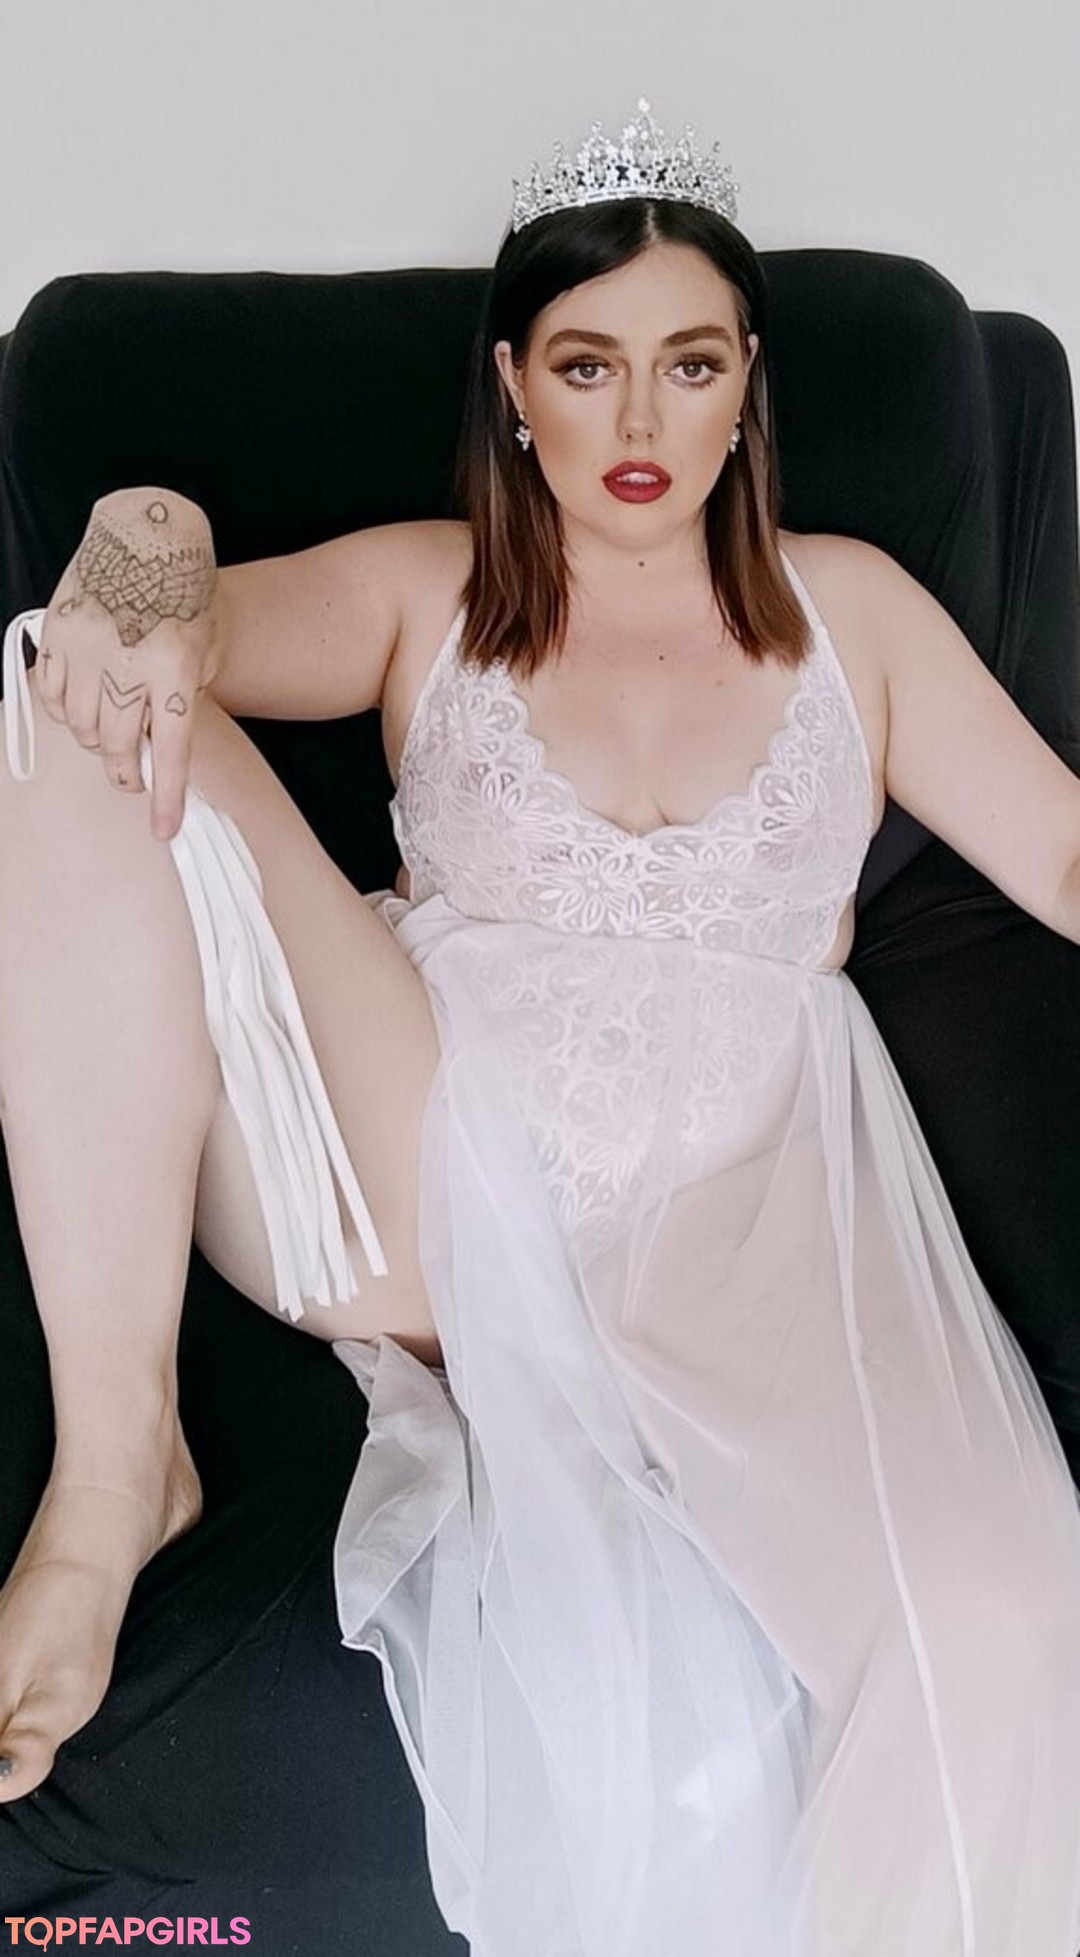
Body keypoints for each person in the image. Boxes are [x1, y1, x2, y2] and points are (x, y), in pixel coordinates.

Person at [2, 95, 1080, 1956]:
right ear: (516, 385)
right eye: (589, 366)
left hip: (746, 1230)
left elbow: (1064, 849)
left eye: (689, 364)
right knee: (68, 688)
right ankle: (116, 1476)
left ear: (747, 385)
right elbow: (171, 629)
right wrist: (139, 531)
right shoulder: (429, 588)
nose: (640, 421)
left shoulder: (860, 614)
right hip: (428, 1169)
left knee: (997, 1608)